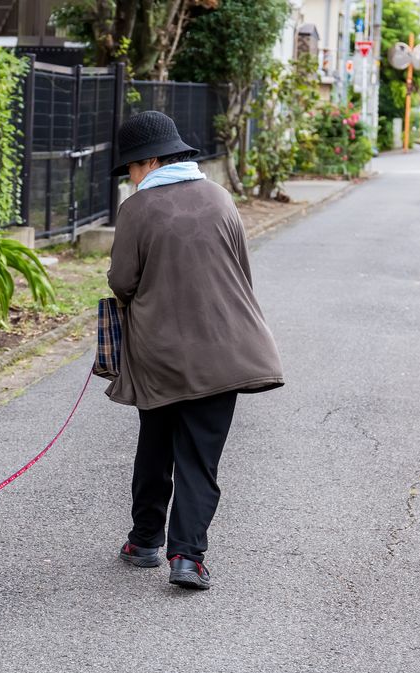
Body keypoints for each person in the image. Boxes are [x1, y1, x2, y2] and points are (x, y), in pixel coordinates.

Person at [107, 111, 284, 591]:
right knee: (199, 459)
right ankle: (188, 558)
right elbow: (241, 271)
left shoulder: (137, 210)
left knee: (156, 446)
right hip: (224, 352)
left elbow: (122, 282)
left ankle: (144, 542)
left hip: (160, 356)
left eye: (130, 168)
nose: (129, 177)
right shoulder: (221, 198)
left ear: (149, 161)